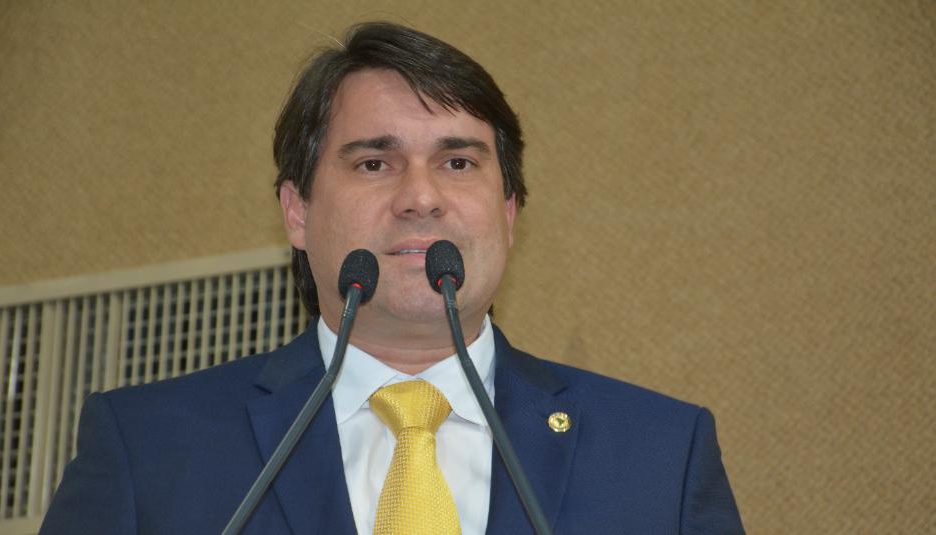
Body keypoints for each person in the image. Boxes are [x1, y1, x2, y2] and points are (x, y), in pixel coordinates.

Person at [40, 22, 744, 534]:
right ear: (296, 211)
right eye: (374, 163)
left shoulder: (659, 453)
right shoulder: (149, 447)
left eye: (458, 163)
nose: (420, 197)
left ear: (508, 212)